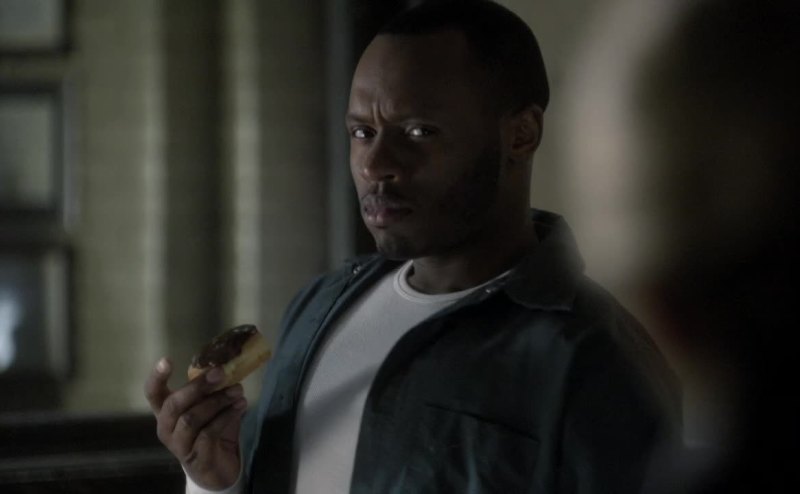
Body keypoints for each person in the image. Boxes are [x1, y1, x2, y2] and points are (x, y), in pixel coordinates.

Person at [144, 1, 679, 492]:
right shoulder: (319, 306)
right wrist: (215, 481)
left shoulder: (597, 359)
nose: (375, 165)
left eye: (419, 132)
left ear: (521, 134)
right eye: (362, 132)